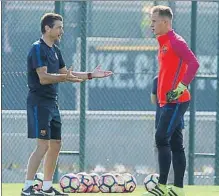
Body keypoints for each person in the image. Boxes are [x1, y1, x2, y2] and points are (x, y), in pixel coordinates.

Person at [21, 13, 113, 196]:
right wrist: (65, 77)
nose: (62, 30)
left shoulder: (55, 50)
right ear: (47, 28)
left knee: (55, 143)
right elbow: (44, 77)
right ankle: (27, 188)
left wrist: (90, 75)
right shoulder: (37, 49)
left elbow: (66, 73)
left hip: (52, 104)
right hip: (39, 103)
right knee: (42, 146)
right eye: (59, 27)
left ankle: (47, 188)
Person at [143, 5, 199, 196]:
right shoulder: (163, 41)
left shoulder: (176, 41)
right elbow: (168, 71)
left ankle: (162, 187)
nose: (151, 25)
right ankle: (178, 190)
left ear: (165, 22)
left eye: (154, 21)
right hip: (165, 102)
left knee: (161, 138)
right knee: (175, 144)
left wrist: (181, 87)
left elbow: (194, 63)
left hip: (176, 101)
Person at [151, 76, 185, 185]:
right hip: (175, 121)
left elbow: (153, 99)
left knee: (166, 148)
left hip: (166, 121)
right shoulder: (180, 79)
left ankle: (164, 182)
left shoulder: (158, 79)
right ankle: (169, 183)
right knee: (173, 149)